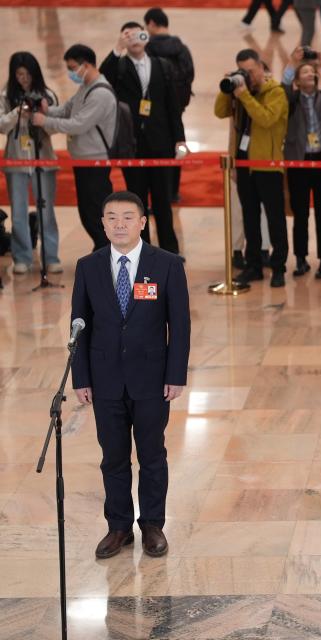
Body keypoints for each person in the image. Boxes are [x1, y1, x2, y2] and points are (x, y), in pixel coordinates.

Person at [71, 190, 191, 560]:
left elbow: (180, 325)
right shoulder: (88, 266)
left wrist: (176, 374)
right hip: (105, 379)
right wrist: (81, 377)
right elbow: (79, 325)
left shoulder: (167, 264)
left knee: (152, 455)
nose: (119, 224)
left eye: (127, 217)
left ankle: (152, 525)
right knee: (113, 457)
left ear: (142, 222)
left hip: (152, 379)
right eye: (111, 217)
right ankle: (118, 526)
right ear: (102, 224)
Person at [100, 22, 186, 255]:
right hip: (132, 145)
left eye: (138, 34)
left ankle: (170, 251)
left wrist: (179, 138)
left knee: (163, 200)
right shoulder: (119, 66)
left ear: (146, 37)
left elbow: (173, 105)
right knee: (137, 203)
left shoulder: (162, 65)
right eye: (127, 36)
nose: (134, 39)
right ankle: (143, 251)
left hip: (161, 143)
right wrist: (117, 49)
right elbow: (103, 79)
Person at [214, 48, 290, 287]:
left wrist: (245, 95)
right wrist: (227, 90)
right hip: (243, 164)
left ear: (261, 68)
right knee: (250, 217)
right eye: (242, 71)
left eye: (251, 71)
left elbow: (266, 119)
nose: (248, 75)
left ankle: (278, 267)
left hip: (267, 165)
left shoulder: (276, 92)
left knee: (275, 219)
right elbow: (219, 112)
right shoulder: (239, 92)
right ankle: (253, 266)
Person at [33, 44, 116, 253]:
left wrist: (44, 121)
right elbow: (67, 110)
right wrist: (47, 110)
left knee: (95, 212)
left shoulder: (101, 93)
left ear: (86, 65)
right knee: (87, 211)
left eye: (72, 68)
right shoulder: (86, 86)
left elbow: (78, 124)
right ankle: (102, 251)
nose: (71, 73)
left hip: (95, 160)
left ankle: (106, 253)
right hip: (82, 159)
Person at [282, 48, 321, 279]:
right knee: (300, 214)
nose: (310, 74)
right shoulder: (292, 99)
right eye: (304, 72)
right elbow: (284, 85)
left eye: (312, 72)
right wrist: (292, 62)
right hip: (299, 161)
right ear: (297, 80)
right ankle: (300, 258)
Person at [1, 51, 61, 274]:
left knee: (46, 211)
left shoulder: (47, 94)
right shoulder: (6, 95)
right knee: (18, 212)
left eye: (27, 74)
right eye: (19, 74)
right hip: (16, 160)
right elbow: (1, 126)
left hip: (43, 159)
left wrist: (43, 116)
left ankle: (51, 257)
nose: (24, 79)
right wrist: (17, 113)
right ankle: (22, 257)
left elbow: (56, 126)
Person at [144, 8, 195, 204]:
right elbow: (189, 75)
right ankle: (173, 191)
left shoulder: (148, 49)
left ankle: (156, 193)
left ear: (151, 23)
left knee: (154, 150)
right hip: (177, 107)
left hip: (153, 111)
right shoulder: (181, 48)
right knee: (176, 145)